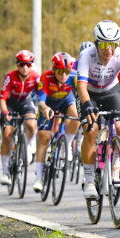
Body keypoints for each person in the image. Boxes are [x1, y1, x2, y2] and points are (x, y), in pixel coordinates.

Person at [76, 21, 120, 200]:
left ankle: (116, 165)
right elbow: (81, 86)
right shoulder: (86, 55)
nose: (109, 50)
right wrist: (87, 104)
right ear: (96, 43)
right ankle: (89, 180)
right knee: (91, 130)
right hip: (89, 94)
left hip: (110, 92)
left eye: (113, 44)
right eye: (105, 44)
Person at [33, 53, 80, 192]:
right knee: (44, 138)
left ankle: (67, 144)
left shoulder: (74, 76)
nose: (64, 75)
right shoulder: (46, 77)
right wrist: (45, 109)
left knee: (76, 116)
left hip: (65, 100)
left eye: (66, 71)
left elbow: (83, 93)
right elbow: (40, 102)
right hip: (48, 104)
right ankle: (39, 177)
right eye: (60, 71)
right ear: (53, 69)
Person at [0, 50, 40, 186]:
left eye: (28, 64)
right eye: (22, 64)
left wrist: (43, 108)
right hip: (10, 104)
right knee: (7, 134)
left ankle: (25, 147)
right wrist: (5, 112)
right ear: (17, 65)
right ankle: (5, 172)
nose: (25, 67)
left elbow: (41, 95)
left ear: (32, 65)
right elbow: (2, 99)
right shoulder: (10, 77)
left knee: (32, 124)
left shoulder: (35, 77)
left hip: (25, 103)